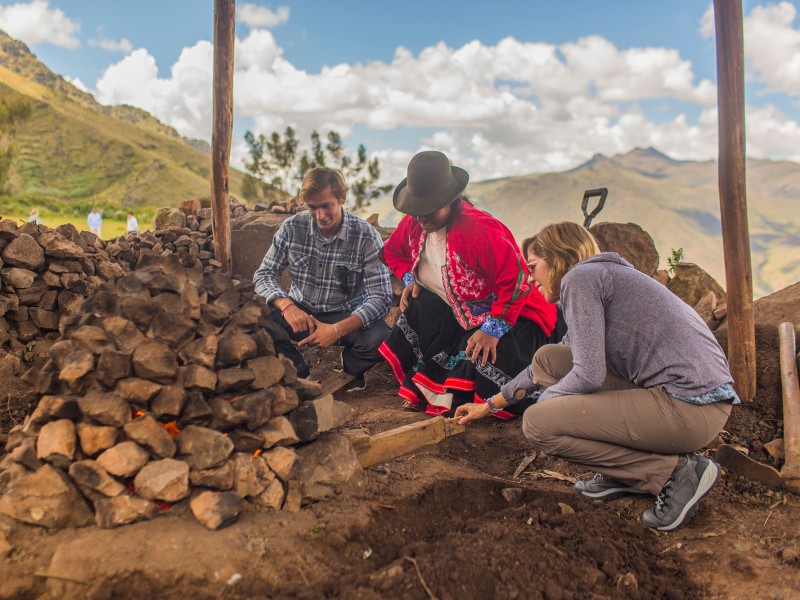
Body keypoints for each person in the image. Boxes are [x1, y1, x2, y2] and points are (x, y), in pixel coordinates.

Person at [455, 221, 739, 531]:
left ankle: (673, 473)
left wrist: (548, 404)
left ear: (557, 258)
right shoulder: (601, 277)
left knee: (538, 424)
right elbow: (547, 365)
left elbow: (588, 375)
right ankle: (624, 475)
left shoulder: (581, 278)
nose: (530, 276)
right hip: (690, 403)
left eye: (534, 266)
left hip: (689, 409)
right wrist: (490, 404)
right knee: (550, 358)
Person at [380, 150, 561, 418]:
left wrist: (493, 330)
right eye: (416, 209)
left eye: (430, 208)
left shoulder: (478, 231)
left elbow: (518, 281)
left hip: (518, 315)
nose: (422, 218)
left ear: (450, 200)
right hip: (464, 312)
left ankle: (477, 398)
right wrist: (410, 277)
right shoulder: (414, 224)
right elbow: (392, 251)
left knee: (490, 353)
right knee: (422, 304)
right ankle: (434, 386)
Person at [253, 167, 393, 391]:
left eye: (327, 206)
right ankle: (300, 375)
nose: (320, 216)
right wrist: (287, 305)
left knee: (383, 339)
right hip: (300, 311)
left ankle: (350, 370)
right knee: (256, 318)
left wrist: (336, 330)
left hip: (347, 313)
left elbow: (381, 297)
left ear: (342, 198)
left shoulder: (365, 236)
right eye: (312, 208)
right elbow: (264, 274)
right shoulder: (291, 228)